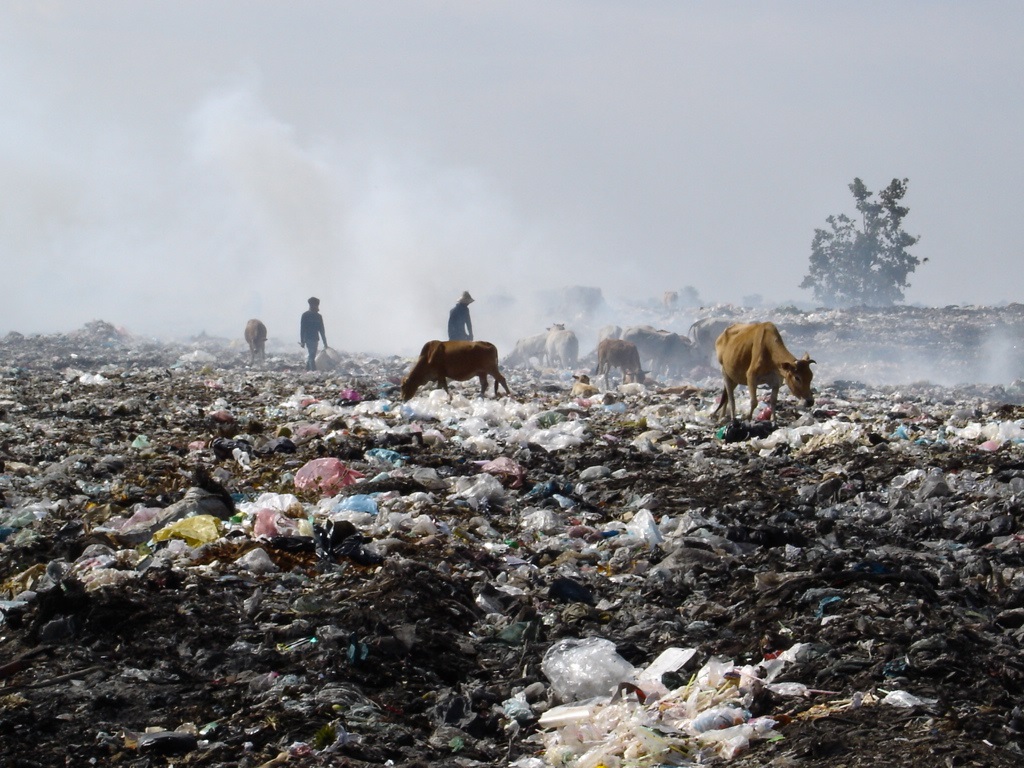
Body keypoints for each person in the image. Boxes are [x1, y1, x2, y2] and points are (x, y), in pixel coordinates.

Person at [299, 297, 328, 371]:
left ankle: (307, 369)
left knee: (312, 355)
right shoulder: (305, 315)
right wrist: (302, 341)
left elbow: (322, 330)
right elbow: (302, 329)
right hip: (308, 338)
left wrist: (325, 342)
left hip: (315, 339)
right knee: (312, 355)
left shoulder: (318, 316)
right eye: (314, 305)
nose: (315, 306)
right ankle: (314, 371)